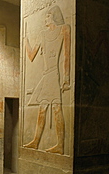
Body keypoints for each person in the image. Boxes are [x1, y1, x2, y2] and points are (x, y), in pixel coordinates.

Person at [23, 5, 71, 155]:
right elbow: (31, 55)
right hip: (45, 75)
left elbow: (67, 56)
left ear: (54, 17)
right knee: (42, 109)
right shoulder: (43, 34)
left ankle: (60, 145)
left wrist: (66, 77)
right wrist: (25, 40)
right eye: (45, 16)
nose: (45, 19)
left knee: (56, 108)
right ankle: (36, 141)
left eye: (48, 16)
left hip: (53, 74)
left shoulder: (64, 29)